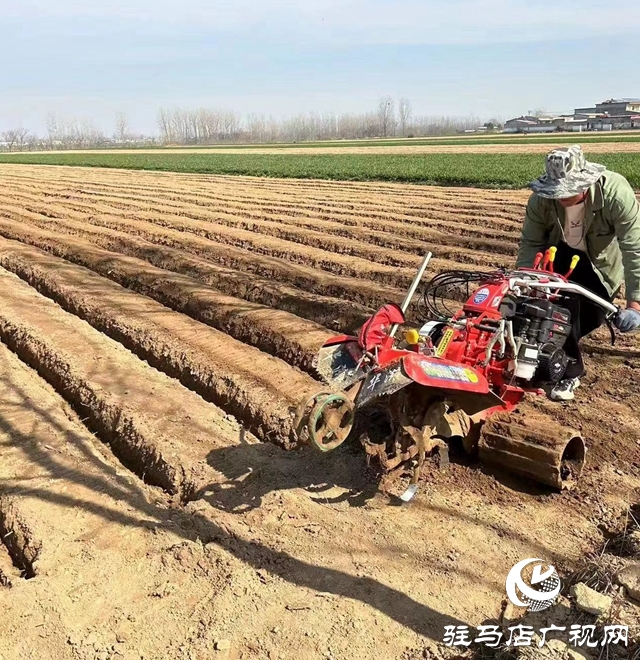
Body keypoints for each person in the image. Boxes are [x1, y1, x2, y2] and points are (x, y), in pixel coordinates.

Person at [516, 145, 640, 401]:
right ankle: (566, 369)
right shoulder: (541, 201)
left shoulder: (615, 194)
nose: (559, 197)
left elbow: (634, 249)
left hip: (599, 265)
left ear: (584, 183)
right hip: (558, 256)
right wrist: (526, 281)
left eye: (566, 191)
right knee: (539, 309)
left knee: (581, 316)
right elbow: (530, 244)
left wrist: (635, 304)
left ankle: (559, 364)